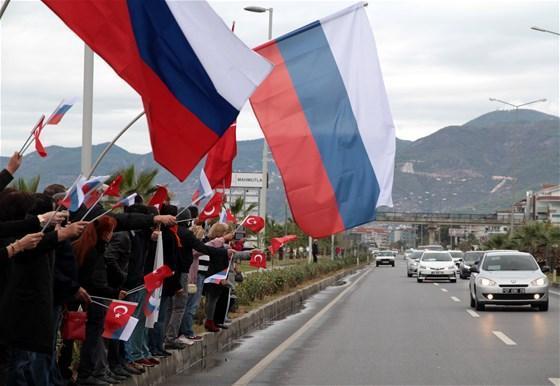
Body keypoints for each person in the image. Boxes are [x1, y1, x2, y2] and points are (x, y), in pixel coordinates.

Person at [0, 190, 87, 386]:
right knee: (20, 364)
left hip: (32, 309)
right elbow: (29, 252)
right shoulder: (17, 239)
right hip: (19, 312)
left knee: (29, 359)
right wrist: (58, 235)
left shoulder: (25, 234)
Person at [73, 216, 124, 386]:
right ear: (105, 233)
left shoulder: (88, 247)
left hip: (92, 297)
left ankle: (89, 372)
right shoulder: (95, 252)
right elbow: (96, 282)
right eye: (110, 232)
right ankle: (87, 374)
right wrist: (114, 292)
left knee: (92, 338)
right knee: (93, 338)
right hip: (96, 300)